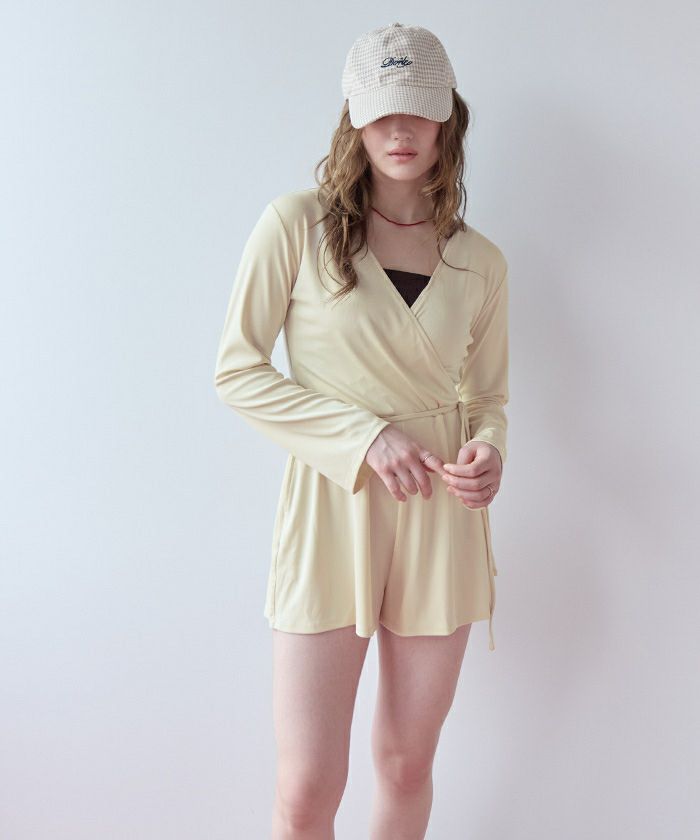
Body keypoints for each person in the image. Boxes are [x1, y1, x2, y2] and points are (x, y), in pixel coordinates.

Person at [214, 21, 509, 840]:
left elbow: (488, 396)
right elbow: (237, 371)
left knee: (407, 764)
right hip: (330, 505)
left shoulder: (480, 261)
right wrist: (364, 438)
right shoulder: (297, 226)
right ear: (354, 115)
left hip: (440, 516)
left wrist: (490, 449)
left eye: (417, 109)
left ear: (447, 117)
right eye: (382, 111)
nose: (400, 130)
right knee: (307, 785)